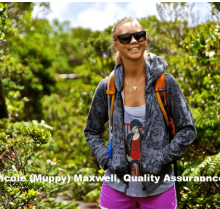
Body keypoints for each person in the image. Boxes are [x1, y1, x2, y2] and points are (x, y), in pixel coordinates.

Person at [84, 17, 196, 209]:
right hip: (116, 184)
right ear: (116, 45)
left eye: (139, 36)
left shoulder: (165, 83)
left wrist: (160, 160)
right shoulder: (107, 87)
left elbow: (187, 129)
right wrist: (106, 159)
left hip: (159, 185)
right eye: (126, 38)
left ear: (145, 39)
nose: (134, 41)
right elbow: (92, 131)